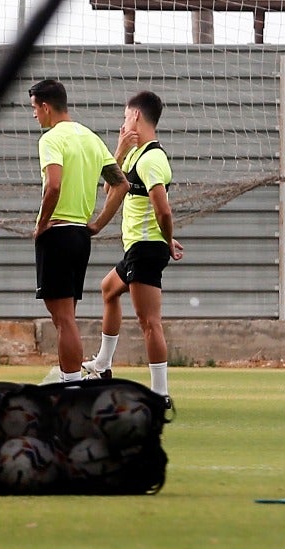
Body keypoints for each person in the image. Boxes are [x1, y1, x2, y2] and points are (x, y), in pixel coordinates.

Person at [83, 91, 185, 400]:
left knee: (149, 323)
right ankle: (103, 363)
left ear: (137, 117)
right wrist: (120, 148)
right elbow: (108, 186)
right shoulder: (135, 154)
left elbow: (163, 209)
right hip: (138, 247)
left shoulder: (153, 158)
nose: (124, 122)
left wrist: (166, 240)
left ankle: (160, 393)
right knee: (108, 289)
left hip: (146, 248)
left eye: (126, 116)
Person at [28, 78, 124, 384]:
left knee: (65, 319)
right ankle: (70, 381)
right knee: (63, 317)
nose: (34, 116)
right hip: (81, 236)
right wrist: (97, 224)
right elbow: (120, 183)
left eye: (34, 108)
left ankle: (71, 389)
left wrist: (42, 223)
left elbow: (53, 184)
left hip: (57, 234)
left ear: (45, 107)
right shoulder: (91, 138)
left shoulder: (51, 139)